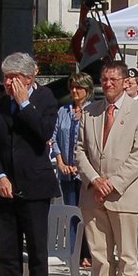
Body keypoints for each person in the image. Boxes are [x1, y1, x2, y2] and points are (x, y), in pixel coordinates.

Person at [74, 60, 138, 276]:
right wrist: (96, 180)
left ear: (124, 82)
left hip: (124, 196)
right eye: (104, 79)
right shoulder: (91, 111)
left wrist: (113, 183)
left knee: (126, 257)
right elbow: (80, 150)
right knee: (100, 257)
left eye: (113, 80)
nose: (108, 84)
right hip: (93, 196)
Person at [0, 52, 58, 276]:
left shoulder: (45, 98)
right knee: (7, 250)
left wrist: (24, 103)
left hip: (35, 186)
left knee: (36, 250)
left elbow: (43, 132)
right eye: (6, 78)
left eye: (14, 78)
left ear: (29, 78)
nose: (8, 83)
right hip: (7, 188)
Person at [50, 71, 93, 206]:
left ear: (87, 89)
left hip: (86, 174)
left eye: (78, 87)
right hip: (66, 172)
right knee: (70, 211)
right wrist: (61, 163)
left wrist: (80, 167)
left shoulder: (94, 111)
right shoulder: (63, 111)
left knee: (85, 213)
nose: (74, 90)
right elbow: (54, 137)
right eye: (72, 87)